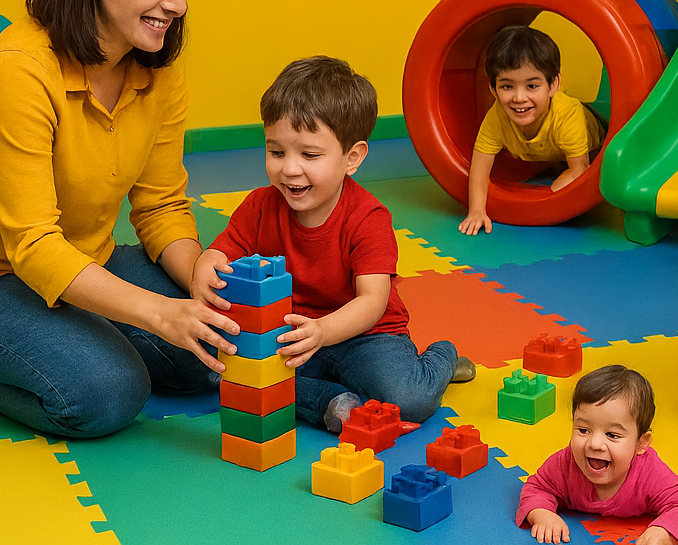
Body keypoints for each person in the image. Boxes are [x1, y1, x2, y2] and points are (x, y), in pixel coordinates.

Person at [0, 0, 237, 438]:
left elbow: (161, 205)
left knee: (217, 345)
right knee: (107, 392)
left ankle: (76, 336)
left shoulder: (157, 67)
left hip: (82, 262)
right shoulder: (18, 70)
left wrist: (197, 275)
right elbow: (33, 246)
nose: (177, 3)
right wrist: (158, 313)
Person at [191, 56, 473, 431]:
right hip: (290, 335)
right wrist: (205, 265)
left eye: (309, 154)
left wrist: (323, 331)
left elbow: (372, 302)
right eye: (276, 152)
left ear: (351, 158)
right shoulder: (259, 207)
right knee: (222, 370)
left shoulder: (369, 218)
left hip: (366, 336)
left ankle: (443, 358)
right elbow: (221, 252)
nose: (289, 168)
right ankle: (329, 401)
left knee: (410, 399)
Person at [517, 365, 678, 545]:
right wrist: (542, 514)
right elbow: (537, 488)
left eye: (612, 435)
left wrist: (664, 531)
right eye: (583, 430)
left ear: (641, 443)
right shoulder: (565, 463)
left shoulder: (649, 474)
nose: (595, 444)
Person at [460, 25, 604, 235]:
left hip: (594, 144)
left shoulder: (568, 115)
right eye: (507, 86)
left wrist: (551, 195)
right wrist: (476, 211)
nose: (519, 98)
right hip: (547, 151)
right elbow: (480, 165)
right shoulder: (497, 116)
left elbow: (579, 170)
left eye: (532, 86)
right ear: (493, 89)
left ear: (553, 85)